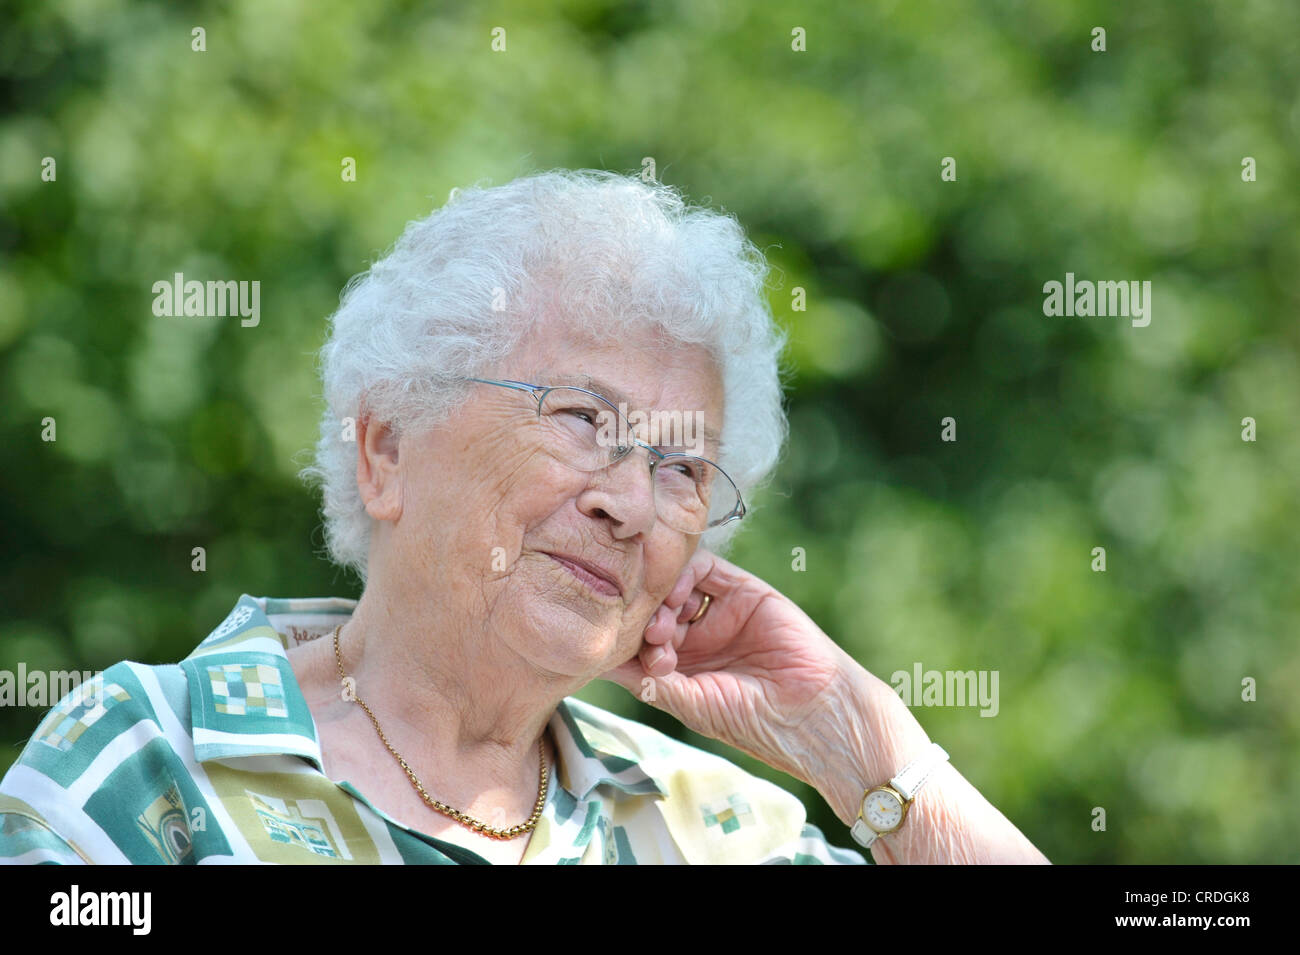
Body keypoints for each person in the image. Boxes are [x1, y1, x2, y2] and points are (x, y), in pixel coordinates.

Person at [0, 169, 1048, 864]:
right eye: (585, 419)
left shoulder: (714, 829)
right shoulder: (157, 754)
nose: (630, 502)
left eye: (683, 468)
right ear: (387, 449)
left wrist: (857, 748)